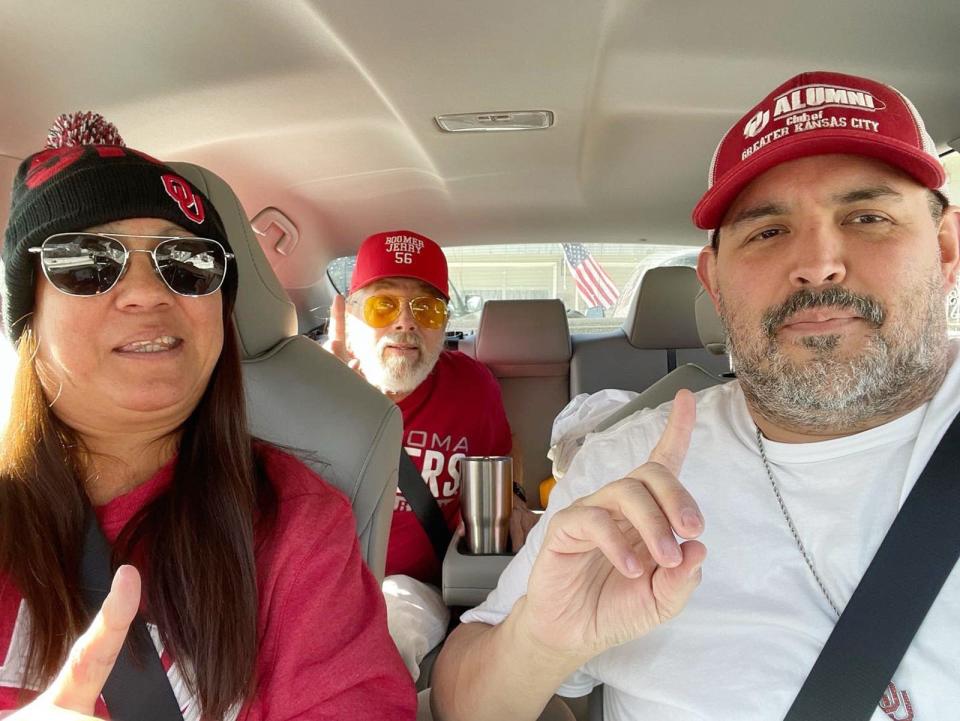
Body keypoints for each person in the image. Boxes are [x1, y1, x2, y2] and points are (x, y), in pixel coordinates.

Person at [430, 70, 960, 721]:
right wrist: (539, 641)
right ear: (713, 282)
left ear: (945, 248)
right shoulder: (627, 470)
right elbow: (465, 700)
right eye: (767, 231)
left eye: (867, 217)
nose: (819, 262)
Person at [0, 112, 416, 720]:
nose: (148, 292)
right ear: (27, 315)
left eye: (187, 263)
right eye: (85, 261)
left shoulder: (295, 526)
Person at [322, 230, 538, 678]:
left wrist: (514, 493)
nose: (405, 323)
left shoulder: (472, 387)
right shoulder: (313, 388)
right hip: (316, 579)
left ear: (443, 322)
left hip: (413, 586)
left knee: (385, 631)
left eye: (426, 307)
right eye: (383, 305)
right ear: (349, 314)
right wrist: (324, 396)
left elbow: (502, 444)